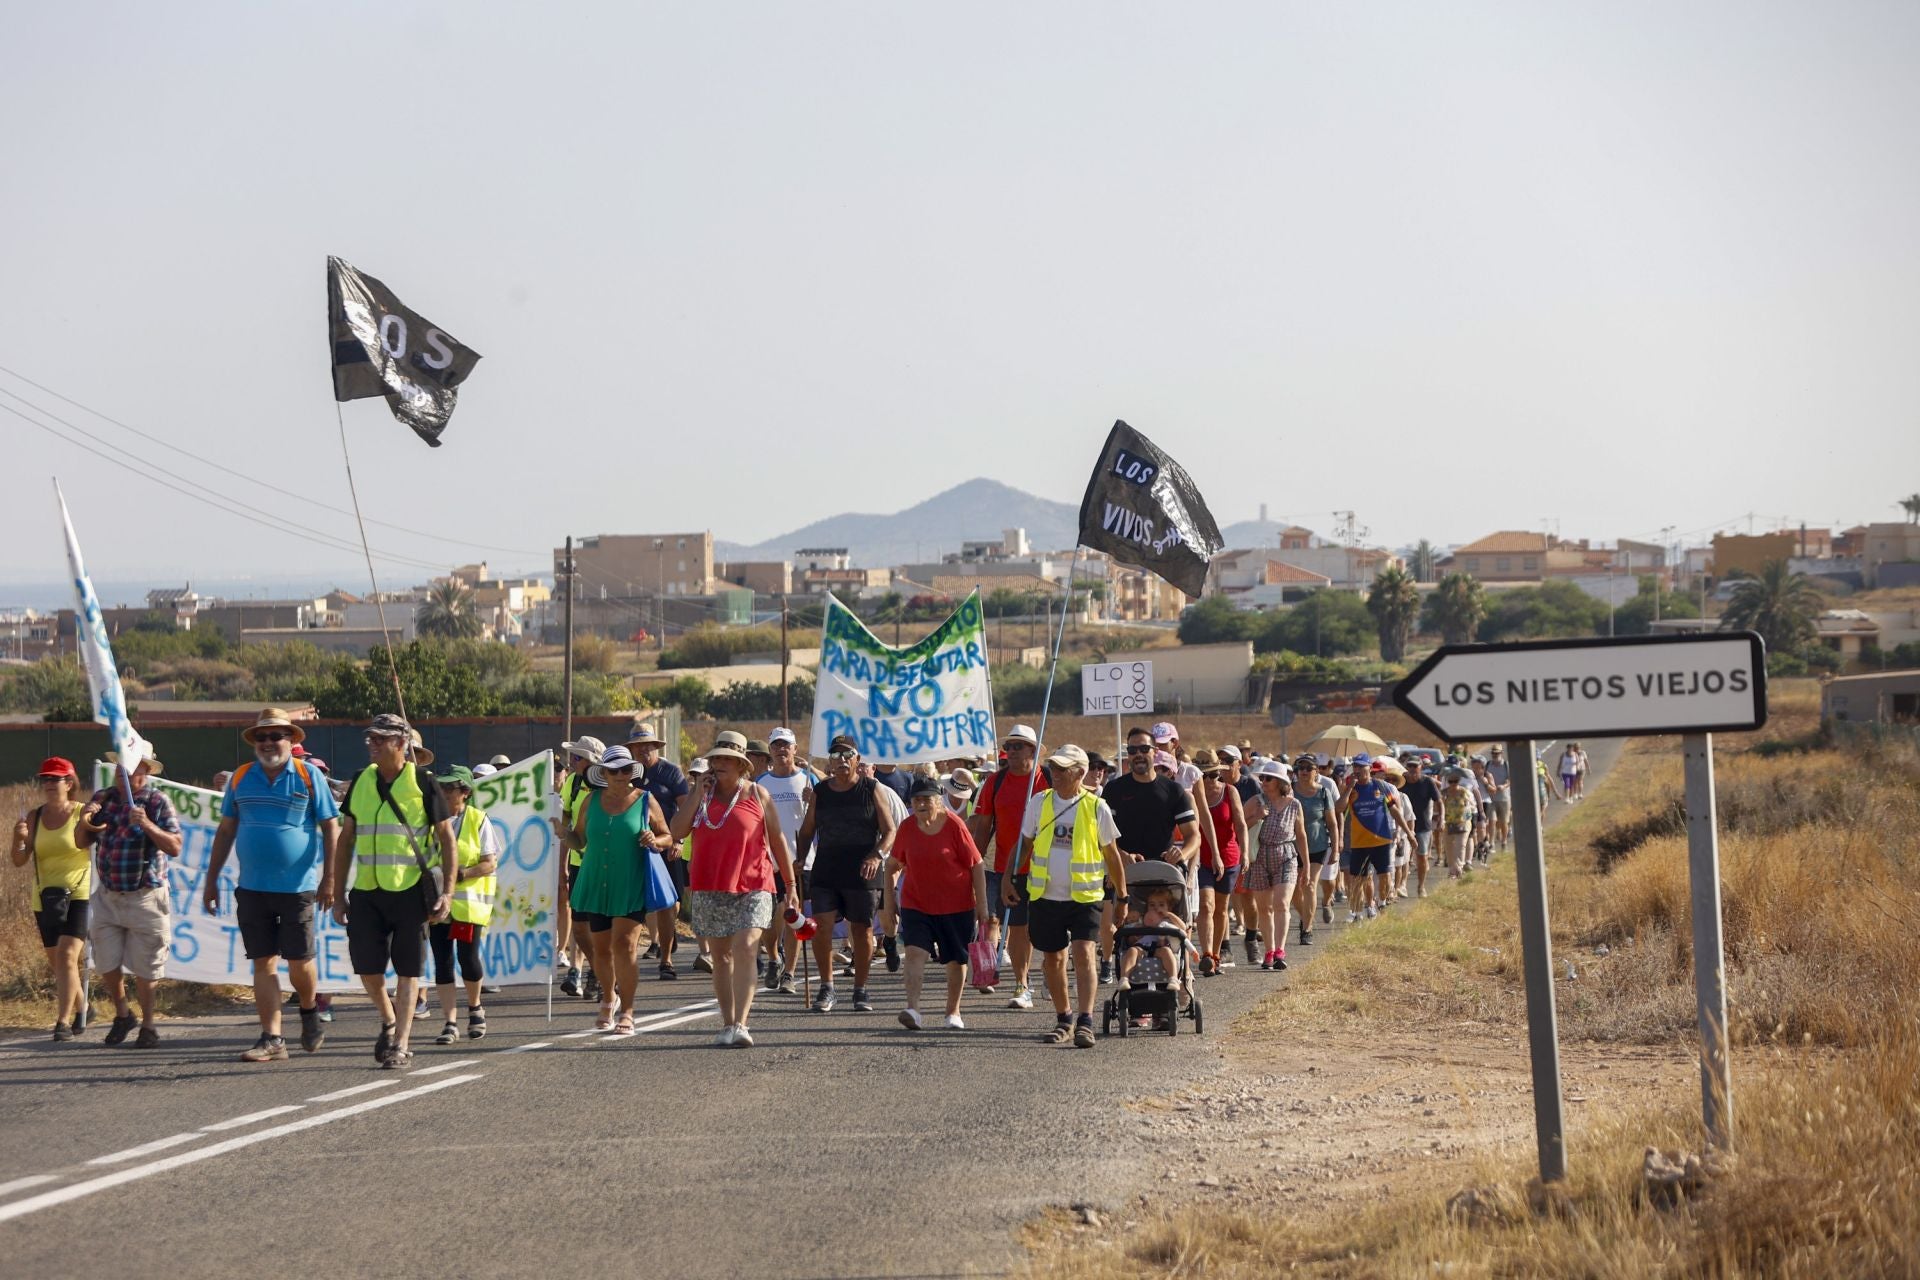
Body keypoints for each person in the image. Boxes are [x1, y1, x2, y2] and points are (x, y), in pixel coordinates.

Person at [204, 708, 341, 1061]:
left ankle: (309, 1010)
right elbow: (226, 830)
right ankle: (272, 1039)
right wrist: (211, 879)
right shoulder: (241, 778)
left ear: (291, 740)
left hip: (298, 888)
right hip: (252, 887)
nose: (268, 743)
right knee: (262, 962)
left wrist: (330, 879)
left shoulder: (309, 776)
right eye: (262, 737)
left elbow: (331, 827)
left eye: (276, 736)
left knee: (299, 961)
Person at [331, 714, 457, 1069]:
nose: (372, 744)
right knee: (367, 969)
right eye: (370, 738)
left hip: (410, 891)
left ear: (402, 744)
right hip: (368, 890)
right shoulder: (362, 781)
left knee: (408, 970)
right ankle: (388, 1020)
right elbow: (346, 840)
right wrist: (339, 893)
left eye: (380, 739)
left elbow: (448, 840)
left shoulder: (424, 782)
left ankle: (400, 1044)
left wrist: (446, 892)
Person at [666, 731, 799, 1047]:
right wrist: (698, 794)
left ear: (741, 765)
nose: (719, 763)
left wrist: (791, 885)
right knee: (721, 956)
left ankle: (741, 1023)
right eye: (716, 758)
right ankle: (727, 1023)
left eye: (727, 758)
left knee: (745, 947)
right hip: (710, 885)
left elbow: (778, 840)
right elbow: (676, 830)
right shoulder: (702, 794)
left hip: (753, 884)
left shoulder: (757, 794)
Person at [1007, 744, 1130, 1048]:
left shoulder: (1095, 806)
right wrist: (1011, 877)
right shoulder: (1039, 802)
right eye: (1053, 768)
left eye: (1062, 769)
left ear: (1079, 772)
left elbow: (1111, 854)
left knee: (1084, 953)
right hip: (1045, 895)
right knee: (1053, 959)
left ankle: (1085, 1021)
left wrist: (1122, 897)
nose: (1055, 773)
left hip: (1085, 896)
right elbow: (1023, 844)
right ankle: (1064, 1018)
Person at [567, 745, 676, 1034]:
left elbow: (668, 835)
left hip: (630, 882)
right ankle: (608, 997)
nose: (619, 775)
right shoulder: (591, 801)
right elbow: (579, 840)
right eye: (613, 770)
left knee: (624, 946)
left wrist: (656, 839)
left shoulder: (645, 800)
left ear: (632, 772)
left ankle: (627, 1010)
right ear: (603, 773)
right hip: (594, 881)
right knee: (600, 949)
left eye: (625, 769)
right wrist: (560, 832)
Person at [83, 740, 183, 1049]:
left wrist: (148, 825)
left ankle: (149, 1025)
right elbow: (80, 841)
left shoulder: (157, 802)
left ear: (146, 771)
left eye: (133, 767)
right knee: (105, 962)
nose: (125, 772)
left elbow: (175, 846)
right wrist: (85, 817)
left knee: (147, 967)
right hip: (109, 895)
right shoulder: (104, 798)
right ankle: (123, 1014)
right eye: (121, 766)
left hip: (146, 896)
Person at [793, 737, 896, 1012]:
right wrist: (800, 857)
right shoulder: (821, 791)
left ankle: (861, 990)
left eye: (846, 754)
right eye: (835, 755)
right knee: (821, 927)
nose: (840, 760)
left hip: (863, 869)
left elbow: (889, 831)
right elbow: (806, 830)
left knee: (861, 930)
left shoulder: (871, 788)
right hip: (827, 867)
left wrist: (876, 855)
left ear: (857, 759)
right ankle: (827, 988)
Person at [883, 774, 988, 1030]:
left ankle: (953, 1012)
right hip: (917, 904)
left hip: (957, 906)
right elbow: (893, 865)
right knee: (915, 953)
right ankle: (913, 1009)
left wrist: (982, 906)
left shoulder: (954, 825)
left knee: (956, 960)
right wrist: (889, 902)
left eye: (926, 799)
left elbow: (976, 864)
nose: (920, 804)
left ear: (938, 801)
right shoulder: (907, 828)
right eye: (916, 799)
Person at [11, 757, 94, 1040]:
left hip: (78, 894)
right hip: (45, 897)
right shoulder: (34, 816)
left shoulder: (82, 813)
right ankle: (84, 1007)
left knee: (67, 956)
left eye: (54, 779)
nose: (48, 784)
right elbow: (20, 860)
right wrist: (17, 838)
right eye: (45, 779)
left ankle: (62, 1022)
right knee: (57, 963)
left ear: (69, 783)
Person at [967, 724, 1046, 1009]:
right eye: (1008, 746)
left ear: (1033, 751)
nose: (1011, 751)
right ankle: (1022, 984)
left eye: (1018, 746)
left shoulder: (1047, 779)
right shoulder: (995, 782)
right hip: (1008, 868)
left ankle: (1050, 971)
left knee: (1046, 927)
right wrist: (974, 862)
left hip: (1048, 868)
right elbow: (984, 825)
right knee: (1018, 927)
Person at [430, 766, 503, 1043]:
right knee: (442, 961)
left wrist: (460, 874)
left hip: (468, 906)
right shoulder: (430, 819)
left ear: (465, 792)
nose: (444, 793)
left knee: (468, 959)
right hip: (438, 904)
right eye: (441, 787)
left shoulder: (478, 820)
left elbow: (489, 862)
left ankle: (475, 1010)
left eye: (450, 788)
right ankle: (449, 1021)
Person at [756, 727, 816, 993]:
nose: (781, 750)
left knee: (793, 915)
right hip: (768, 862)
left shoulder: (808, 779)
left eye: (786, 745)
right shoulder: (761, 784)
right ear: (770, 750)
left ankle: (790, 973)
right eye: (776, 745)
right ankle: (773, 958)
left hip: (800, 860)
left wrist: (813, 801)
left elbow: (824, 816)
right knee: (770, 919)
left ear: (795, 749)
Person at [629, 722, 692, 974]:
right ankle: (634, 956)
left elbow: (686, 808)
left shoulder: (671, 772)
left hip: (665, 844)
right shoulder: (626, 772)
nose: (644, 750)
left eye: (648, 745)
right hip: (633, 847)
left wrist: (678, 840)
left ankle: (666, 958)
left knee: (670, 903)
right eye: (638, 746)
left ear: (656, 746)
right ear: (632, 749)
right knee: (637, 904)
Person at [552, 735, 605, 998]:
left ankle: (598, 971)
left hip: (604, 865)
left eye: (576, 757)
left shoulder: (608, 784)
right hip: (578, 862)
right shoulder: (572, 783)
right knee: (581, 920)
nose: (571, 762)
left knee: (598, 922)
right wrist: (562, 866)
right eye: (571, 757)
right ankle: (578, 969)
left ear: (592, 761)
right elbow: (565, 826)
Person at [1189, 749, 1247, 975]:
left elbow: (1241, 824)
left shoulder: (1230, 792)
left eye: (1215, 775)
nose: (1211, 780)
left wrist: (1245, 854)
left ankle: (1215, 954)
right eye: (1205, 775)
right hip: (1203, 858)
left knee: (1221, 909)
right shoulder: (1194, 794)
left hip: (1230, 857)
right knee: (1206, 904)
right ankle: (1205, 954)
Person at [1245, 761, 1305, 970]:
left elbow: (1301, 835)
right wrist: (1257, 816)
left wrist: (1304, 863)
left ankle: (1280, 951)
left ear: (1280, 782)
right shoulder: (1255, 801)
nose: (1263, 782)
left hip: (1286, 855)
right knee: (1264, 908)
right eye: (1261, 778)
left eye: (1268, 778)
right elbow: (1239, 826)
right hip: (1260, 856)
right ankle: (1269, 952)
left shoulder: (1294, 804)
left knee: (1281, 904)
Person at [1340, 758, 1411, 921]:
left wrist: (1407, 833)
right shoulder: (1351, 788)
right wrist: (1348, 788)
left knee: (1385, 876)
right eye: (1355, 766)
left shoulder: (1382, 787)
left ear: (1369, 768)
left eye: (1360, 766)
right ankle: (1357, 912)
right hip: (1359, 842)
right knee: (1358, 879)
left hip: (1382, 840)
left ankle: (1382, 902)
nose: (1357, 769)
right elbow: (1339, 808)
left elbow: (1395, 810)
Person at [1293, 756, 1341, 947]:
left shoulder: (1323, 792)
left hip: (1318, 846)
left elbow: (1332, 823)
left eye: (1308, 768)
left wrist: (1336, 849)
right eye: (1301, 767)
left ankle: (1307, 929)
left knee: (1310, 885)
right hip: (1293, 846)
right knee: (1295, 890)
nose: (1304, 771)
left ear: (1316, 772)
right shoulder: (1289, 790)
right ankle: (1305, 916)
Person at [1398, 757, 1440, 899]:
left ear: (1420, 767)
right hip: (1405, 825)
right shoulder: (1401, 781)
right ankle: (1402, 884)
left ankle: (1421, 887)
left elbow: (1438, 800)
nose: (1412, 769)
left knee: (1422, 858)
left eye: (1415, 766)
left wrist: (1442, 818)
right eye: (1409, 766)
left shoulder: (1427, 782)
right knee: (1404, 857)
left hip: (1423, 826)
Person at [1440, 769, 1477, 877]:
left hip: (1463, 823)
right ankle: (1452, 870)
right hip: (1448, 823)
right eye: (1450, 781)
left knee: (1460, 845)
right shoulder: (1443, 793)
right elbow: (1438, 807)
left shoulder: (1465, 792)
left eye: (1455, 781)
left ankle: (1459, 868)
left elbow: (1471, 807)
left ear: (1459, 781)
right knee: (1449, 846)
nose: (1453, 784)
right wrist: (1441, 820)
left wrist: (1465, 820)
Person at [1485, 744, 1513, 850]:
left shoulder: (1506, 765)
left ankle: (1504, 841)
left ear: (1501, 753)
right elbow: (1484, 778)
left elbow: (1510, 779)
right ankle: (1491, 842)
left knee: (1503, 822)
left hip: (1504, 797)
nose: (1495, 755)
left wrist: (1504, 786)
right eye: (1493, 753)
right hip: (1491, 798)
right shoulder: (1488, 765)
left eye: (1497, 753)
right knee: (1492, 820)